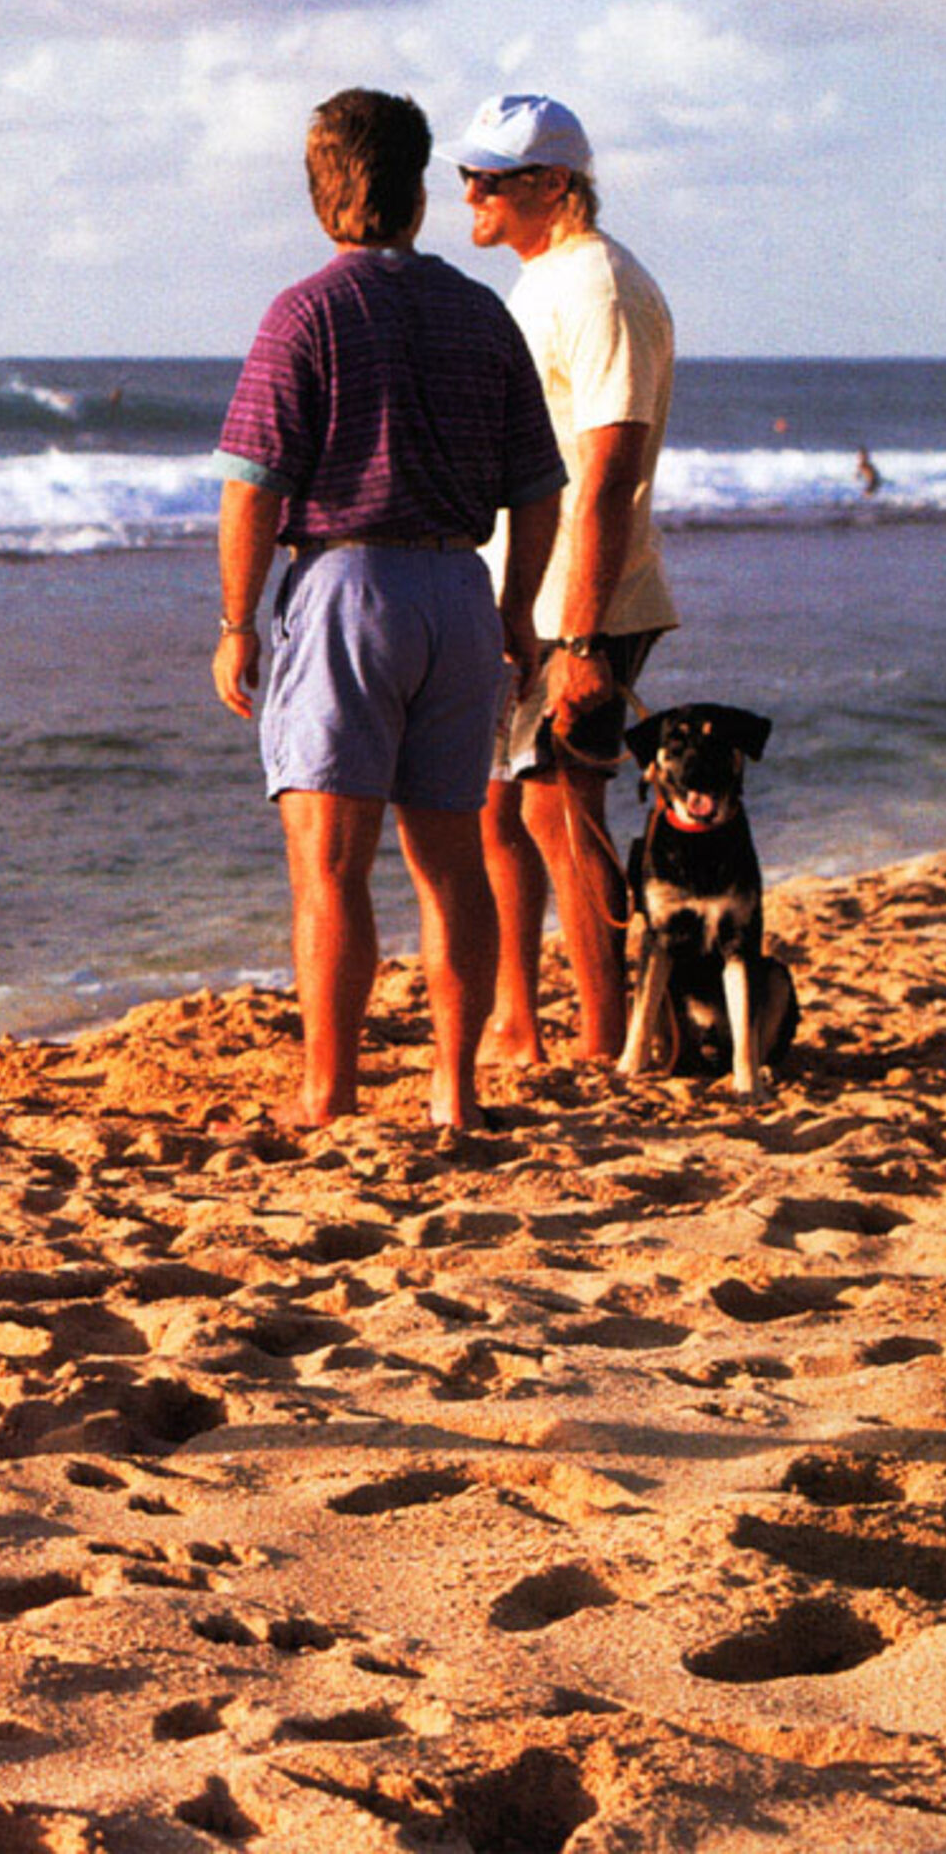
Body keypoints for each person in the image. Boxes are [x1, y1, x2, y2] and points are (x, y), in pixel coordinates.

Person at [212, 88, 565, 1132]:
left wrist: (236, 621)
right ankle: (455, 1090)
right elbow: (539, 484)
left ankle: (330, 1091)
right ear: (417, 192)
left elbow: (253, 487)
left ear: (320, 191)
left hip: (348, 587)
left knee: (331, 865)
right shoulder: (480, 313)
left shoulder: (305, 313)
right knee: (452, 861)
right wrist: (517, 606)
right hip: (458, 589)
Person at [450, 91, 678, 1066]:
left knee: (559, 808)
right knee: (496, 808)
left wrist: (583, 638)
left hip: (584, 597)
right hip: (522, 589)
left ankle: (604, 1035)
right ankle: (516, 1020)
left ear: (552, 183)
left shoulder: (601, 286)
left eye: (489, 178)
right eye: (466, 174)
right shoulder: (542, 281)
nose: (470, 193)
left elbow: (610, 471)